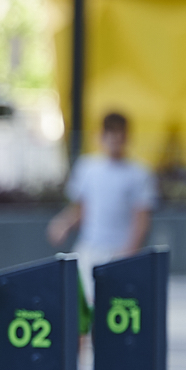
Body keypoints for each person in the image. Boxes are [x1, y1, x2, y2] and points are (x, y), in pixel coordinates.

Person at [51, 109, 156, 263]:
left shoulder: (139, 173)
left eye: (118, 132)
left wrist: (130, 252)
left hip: (119, 251)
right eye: (110, 131)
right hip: (89, 248)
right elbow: (81, 208)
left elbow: (141, 217)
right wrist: (63, 224)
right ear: (101, 135)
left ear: (127, 136)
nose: (114, 137)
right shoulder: (86, 167)